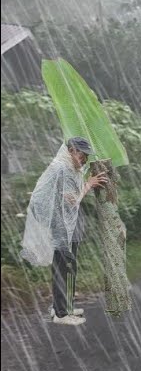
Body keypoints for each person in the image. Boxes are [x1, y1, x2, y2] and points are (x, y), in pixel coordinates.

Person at [21, 137, 108, 325]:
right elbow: (72, 200)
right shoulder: (61, 169)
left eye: (86, 156)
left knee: (65, 267)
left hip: (66, 225)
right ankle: (62, 314)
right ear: (71, 150)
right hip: (63, 228)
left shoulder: (67, 168)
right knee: (65, 268)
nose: (84, 159)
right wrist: (89, 184)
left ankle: (62, 306)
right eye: (82, 154)